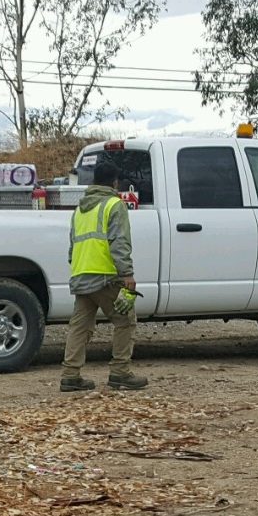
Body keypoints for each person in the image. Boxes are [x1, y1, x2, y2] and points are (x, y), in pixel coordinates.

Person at [60, 159, 148, 392]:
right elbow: (119, 242)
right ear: (115, 182)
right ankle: (120, 372)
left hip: (81, 274)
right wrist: (127, 274)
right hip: (106, 276)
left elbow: (72, 246)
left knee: (80, 326)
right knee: (125, 321)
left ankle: (70, 375)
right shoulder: (113, 205)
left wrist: (79, 268)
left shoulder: (80, 209)